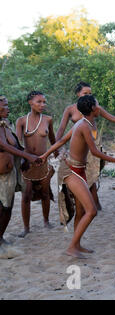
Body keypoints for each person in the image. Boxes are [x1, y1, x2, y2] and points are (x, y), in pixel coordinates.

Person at [40, 95, 115, 259]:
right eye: (98, 104)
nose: (99, 106)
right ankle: (72, 247)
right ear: (93, 109)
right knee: (92, 210)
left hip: (79, 170)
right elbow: (94, 152)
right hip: (71, 171)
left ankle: (77, 244)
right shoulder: (84, 126)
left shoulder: (85, 123)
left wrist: (45, 155)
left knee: (81, 211)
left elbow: (62, 141)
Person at [56, 81, 115, 212]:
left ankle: (94, 206)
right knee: (78, 177)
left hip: (94, 146)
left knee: (92, 177)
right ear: (77, 94)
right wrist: (59, 148)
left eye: (90, 93)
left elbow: (112, 118)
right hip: (80, 148)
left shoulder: (94, 107)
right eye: (84, 93)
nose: (87, 95)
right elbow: (61, 131)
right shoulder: (70, 110)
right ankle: (84, 205)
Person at [0, 95, 41, 253]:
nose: (8, 108)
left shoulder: (5, 125)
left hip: (10, 174)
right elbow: (2, 145)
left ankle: (0, 238)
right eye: (5, 105)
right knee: (2, 208)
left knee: (7, 208)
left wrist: (25, 158)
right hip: (1, 176)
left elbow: (15, 145)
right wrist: (28, 156)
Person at [15, 91, 57, 237]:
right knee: (26, 195)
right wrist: (23, 159)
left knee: (45, 193)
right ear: (30, 103)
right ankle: (26, 227)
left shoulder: (47, 120)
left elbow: (53, 141)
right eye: (39, 102)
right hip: (27, 164)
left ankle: (46, 221)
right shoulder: (21, 121)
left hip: (43, 163)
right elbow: (17, 144)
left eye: (44, 102)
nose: (42, 105)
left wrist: (59, 156)